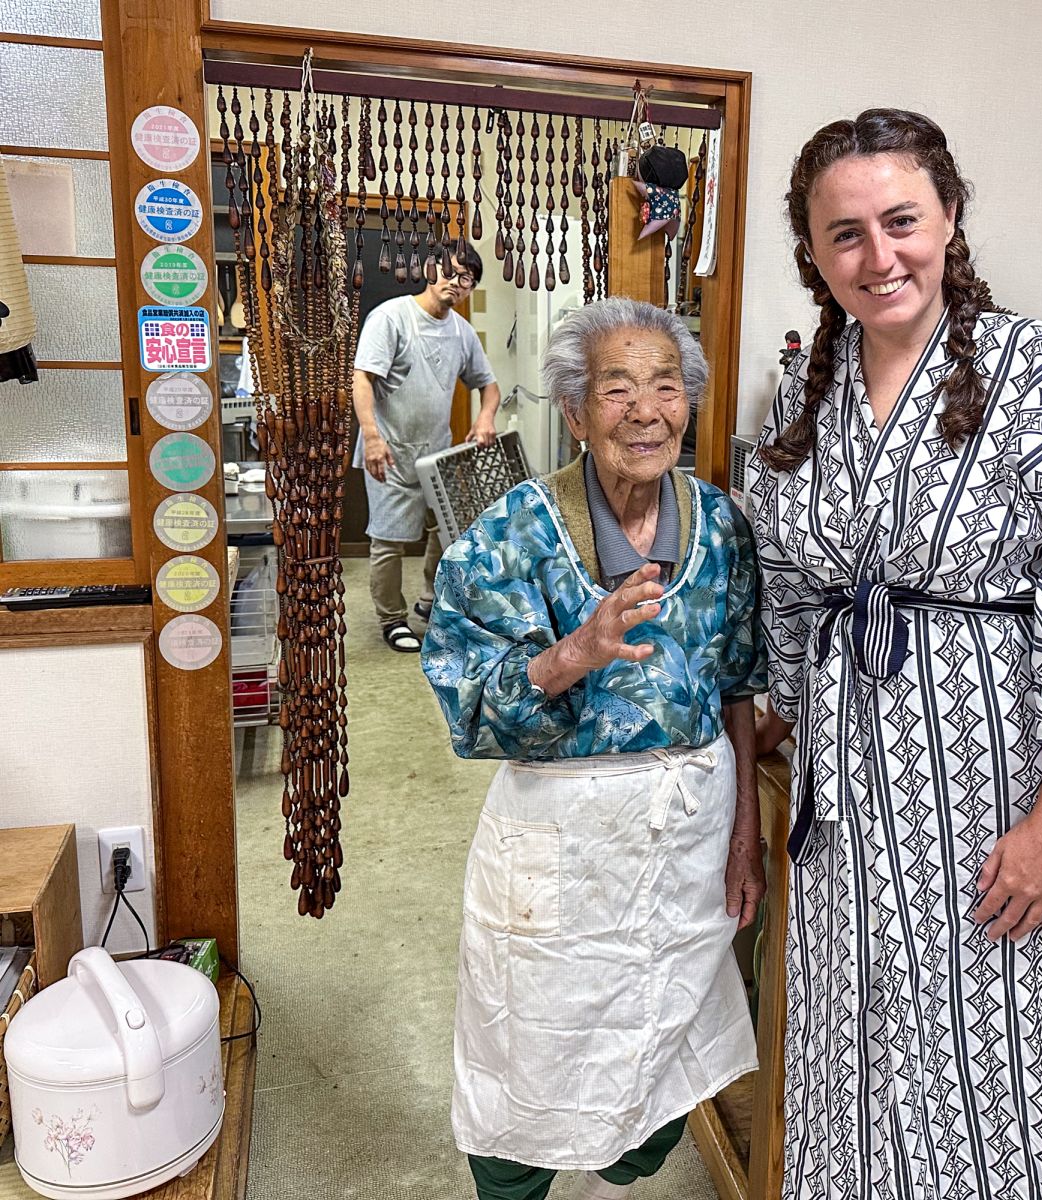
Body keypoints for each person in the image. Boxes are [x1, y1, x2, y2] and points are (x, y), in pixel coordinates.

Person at [746, 109, 1042, 1200]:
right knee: (853, 1057)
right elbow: (785, 582)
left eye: (902, 221)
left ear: (949, 217)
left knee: (998, 1068)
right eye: (846, 236)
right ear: (813, 256)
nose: (880, 257)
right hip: (851, 807)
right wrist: (767, 739)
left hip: (997, 799)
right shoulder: (804, 395)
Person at [421, 297, 767, 1200]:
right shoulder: (507, 537)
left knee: (667, 1046)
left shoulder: (723, 527)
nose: (645, 410)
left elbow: (736, 684)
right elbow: (468, 708)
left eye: (666, 386)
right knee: (525, 1054)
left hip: (690, 832)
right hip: (561, 840)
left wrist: (746, 838)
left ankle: (625, 1149)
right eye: (617, 389)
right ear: (575, 413)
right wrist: (574, 653)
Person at [353, 244, 502, 652]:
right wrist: (371, 437)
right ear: (429, 269)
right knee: (387, 540)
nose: (456, 282)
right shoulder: (391, 317)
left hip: (437, 454)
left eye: (466, 278)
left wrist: (486, 417)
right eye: (450, 272)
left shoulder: (461, 331)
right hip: (388, 448)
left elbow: (489, 386)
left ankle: (429, 600)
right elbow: (363, 378)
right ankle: (391, 618)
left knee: (448, 531)